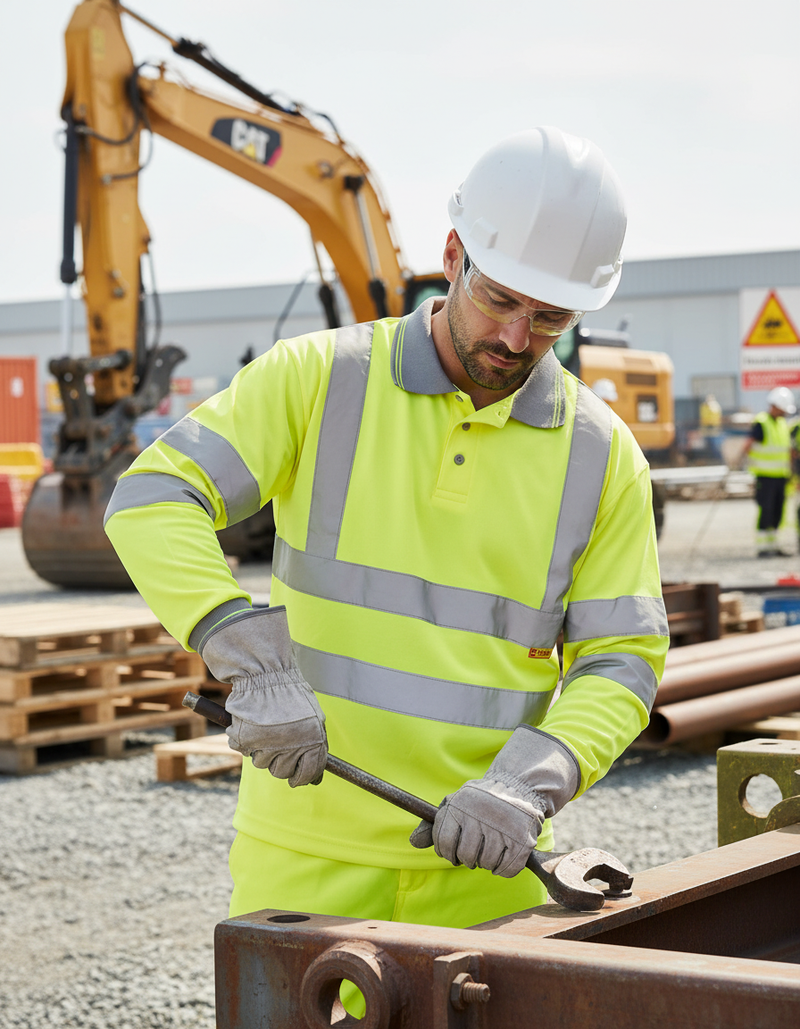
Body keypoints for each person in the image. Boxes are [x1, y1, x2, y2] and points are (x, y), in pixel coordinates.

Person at [104, 127, 668, 1013]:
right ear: (452, 255)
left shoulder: (604, 456)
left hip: (490, 862)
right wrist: (241, 649)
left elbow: (621, 659)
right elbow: (153, 494)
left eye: (551, 318)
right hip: (303, 851)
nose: (517, 338)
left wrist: (529, 783)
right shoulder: (320, 379)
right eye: (501, 299)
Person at [743, 386, 795, 557]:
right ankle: (763, 548)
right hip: (765, 476)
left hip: (780, 476)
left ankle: (773, 545)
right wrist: (741, 463)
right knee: (766, 510)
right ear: (775, 406)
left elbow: (786, 450)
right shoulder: (762, 422)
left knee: (777, 512)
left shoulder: (782, 424)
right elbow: (749, 444)